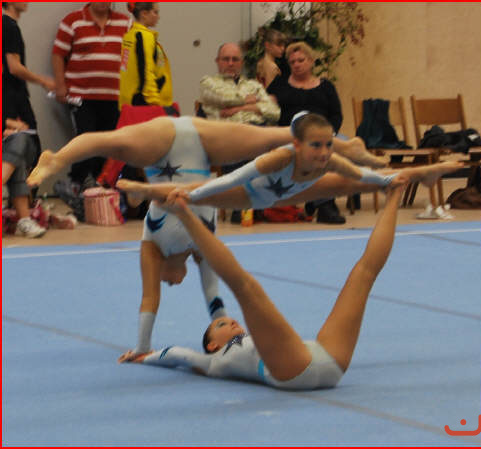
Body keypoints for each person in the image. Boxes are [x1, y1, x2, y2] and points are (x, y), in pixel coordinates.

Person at [27, 115, 295, 361]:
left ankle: (61, 159)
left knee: (110, 143)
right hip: (201, 142)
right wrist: (230, 339)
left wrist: (143, 348)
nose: (170, 283)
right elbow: (213, 297)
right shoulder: (202, 248)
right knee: (278, 136)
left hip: (162, 142)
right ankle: (61, 160)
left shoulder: (152, 247)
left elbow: (149, 298)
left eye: (163, 281)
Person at [127, 183, 411, 390]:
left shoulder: (254, 340)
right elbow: (177, 355)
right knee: (243, 285)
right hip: (290, 368)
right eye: (222, 324)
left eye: (225, 320)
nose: (231, 320)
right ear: (213, 345)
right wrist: (145, 355)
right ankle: (186, 216)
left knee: (364, 273)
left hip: (327, 357)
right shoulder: (214, 362)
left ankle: (394, 197)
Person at [114, 113, 416, 213]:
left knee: (193, 195)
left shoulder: (329, 162)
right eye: (316, 145)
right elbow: (233, 179)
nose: (324, 152)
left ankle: (148, 192)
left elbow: (361, 174)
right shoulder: (281, 157)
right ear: (296, 144)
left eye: (329, 144)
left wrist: (387, 179)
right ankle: (144, 190)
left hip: (270, 200)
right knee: (193, 192)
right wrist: (196, 193)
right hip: (247, 195)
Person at [267, 41, 361, 224]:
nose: (296, 64)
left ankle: (316, 198)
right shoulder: (279, 85)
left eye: (301, 60)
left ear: (311, 61)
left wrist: (329, 134)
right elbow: (266, 107)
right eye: (292, 62)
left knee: (348, 147)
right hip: (292, 136)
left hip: (325, 134)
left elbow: (336, 115)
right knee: (316, 151)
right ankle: (325, 205)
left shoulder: (326, 86)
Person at [200, 42, 281, 223]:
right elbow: (222, 98)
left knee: (267, 144)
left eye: (235, 59)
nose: (230, 63)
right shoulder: (208, 83)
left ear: (241, 62)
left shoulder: (253, 85)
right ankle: (243, 204)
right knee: (240, 144)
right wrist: (252, 102)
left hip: (255, 131)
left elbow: (274, 111)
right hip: (226, 134)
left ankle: (253, 204)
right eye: (226, 59)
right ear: (217, 61)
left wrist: (239, 108)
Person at [52, 2, 131, 188]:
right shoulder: (72, 21)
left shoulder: (126, 23)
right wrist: (60, 85)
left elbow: (132, 56)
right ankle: (79, 183)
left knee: (108, 143)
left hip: (115, 98)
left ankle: (101, 186)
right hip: (81, 96)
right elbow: (58, 55)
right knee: (84, 140)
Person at [2, 2, 55, 238]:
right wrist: (43, 81)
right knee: (23, 143)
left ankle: (24, 218)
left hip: (11, 109)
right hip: (12, 105)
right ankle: (23, 217)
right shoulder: (8, 26)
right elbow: (14, 67)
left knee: (21, 149)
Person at [119, 2, 173, 108]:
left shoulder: (129, 35)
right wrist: (153, 102)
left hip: (129, 101)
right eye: (155, 12)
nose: (158, 16)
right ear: (144, 14)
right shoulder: (144, 37)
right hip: (145, 103)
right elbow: (146, 71)